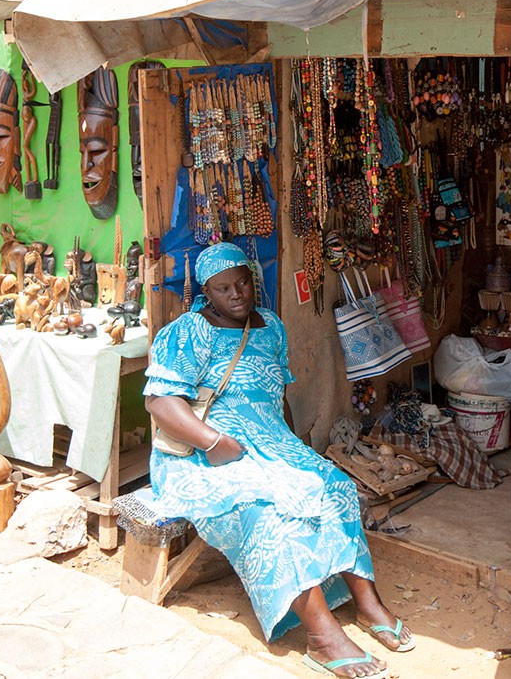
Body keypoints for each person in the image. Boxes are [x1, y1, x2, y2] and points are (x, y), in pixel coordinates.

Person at [144, 243, 413, 679]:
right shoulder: (188, 331)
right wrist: (214, 442)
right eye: (223, 288)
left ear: (254, 279)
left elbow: (278, 394)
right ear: (207, 293)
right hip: (205, 453)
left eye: (243, 282)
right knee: (269, 508)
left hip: (271, 443)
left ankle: (367, 603)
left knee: (334, 486)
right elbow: (160, 402)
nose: (237, 294)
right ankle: (322, 635)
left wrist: (290, 446)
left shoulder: (270, 325)